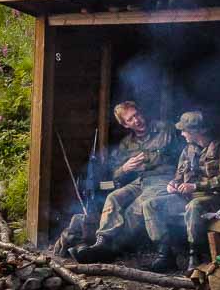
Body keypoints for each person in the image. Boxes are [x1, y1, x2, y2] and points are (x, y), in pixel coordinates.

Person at [77, 101, 181, 262]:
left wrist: (180, 177)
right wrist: (125, 168)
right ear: (125, 124)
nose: (137, 120)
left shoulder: (165, 129)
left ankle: (115, 249)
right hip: (141, 181)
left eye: (137, 115)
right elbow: (115, 174)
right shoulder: (126, 144)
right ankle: (102, 242)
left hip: (164, 179)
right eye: (130, 119)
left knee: (134, 209)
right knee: (114, 198)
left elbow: (184, 152)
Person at [144, 110, 220, 272]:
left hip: (215, 198)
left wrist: (196, 186)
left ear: (198, 131)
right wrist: (173, 184)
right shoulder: (188, 150)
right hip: (187, 196)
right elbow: (179, 175)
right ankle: (164, 255)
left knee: (194, 206)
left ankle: (195, 257)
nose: (182, 134)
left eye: (185, 130)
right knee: (150, 204)